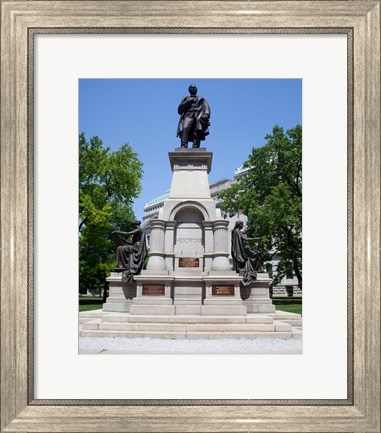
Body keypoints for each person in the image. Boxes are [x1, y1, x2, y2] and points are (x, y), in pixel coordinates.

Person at [176, 84, 211, 148]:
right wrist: (188, 102)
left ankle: (196, 146)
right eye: (191, 87)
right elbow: (179, 110)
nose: (193, 88)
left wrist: (206, 115)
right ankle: (184, 145)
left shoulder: (202, 99)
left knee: (197, 130)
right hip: (188, 116)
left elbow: (206, 108)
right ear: (189, 90)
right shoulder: (185, 99)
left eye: (195, 87)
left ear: (197, 89)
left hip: (198, 116)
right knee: (185, 128)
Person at [231, 220, 261, 286]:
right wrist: (255, 239)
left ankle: (252, 269)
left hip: (242, 249)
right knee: (254, 255)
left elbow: (243, 233)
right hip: (241, 250)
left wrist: (249, 228)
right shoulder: (237, 231)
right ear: (239, 225)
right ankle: (253, 269)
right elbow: (245, 239)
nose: (242, 226)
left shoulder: (236, 231)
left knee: (254, 254)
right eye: (242, 224)